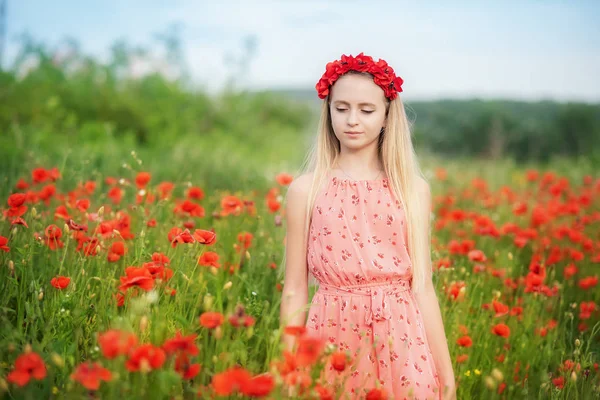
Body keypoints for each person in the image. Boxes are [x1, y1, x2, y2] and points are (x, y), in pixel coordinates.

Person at [279, 53, 456, 400]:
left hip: (401, 337)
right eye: (341, 108)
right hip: (331, 334)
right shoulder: (305, 190)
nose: (352, 120)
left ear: (388, 116)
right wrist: (287, 366)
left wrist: (446, 375)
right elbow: (295, 290)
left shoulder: (412, 190)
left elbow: (422, 287)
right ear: (328, 111)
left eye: (366, 109)